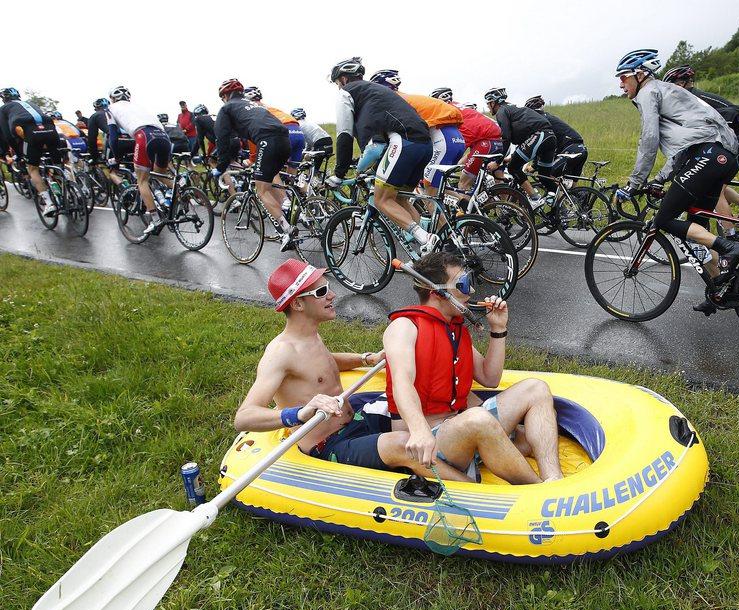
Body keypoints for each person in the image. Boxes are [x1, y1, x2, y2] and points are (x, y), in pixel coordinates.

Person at [382, 252, 563, 483]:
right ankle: (537, 491)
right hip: (426, 442)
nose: (472, 291)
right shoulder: (404, 327)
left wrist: (498, 329)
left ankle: (553, 479)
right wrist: (419, 430)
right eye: (464, 284)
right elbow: (402, 382)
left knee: (536, 388)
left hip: (462, 429)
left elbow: (490, 378)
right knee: (477, 418)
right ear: (436, 291)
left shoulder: (454, 329)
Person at [234, 259, 419, 475]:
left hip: (352, 420)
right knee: (404, 444)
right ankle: (464, 490)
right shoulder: (281, 352)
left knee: (411, 401)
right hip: (329, 443)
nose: (332, 295)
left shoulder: (309, 336)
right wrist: (300, 414)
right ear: (297, 304)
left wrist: (366, 358)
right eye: (321, 291)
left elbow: (323, 362)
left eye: (328, 287)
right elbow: (244, 417)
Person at [614, 48, 739, 314]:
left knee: (663, 220)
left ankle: (730, 246)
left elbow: (648, 140)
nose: (620, 84)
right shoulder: (664, 94)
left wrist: (634, 183)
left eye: (624, 77)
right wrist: (660, 179)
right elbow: (681, 150)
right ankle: (721, 291)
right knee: (699, 234)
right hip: (719, 156)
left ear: (640, 75)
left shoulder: (650, 92)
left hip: (709, 154)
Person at [327, 57, 436, 254]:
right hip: (425, 144)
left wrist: (340, 174)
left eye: (336, 83)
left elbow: (345, 135)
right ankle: (432, 250)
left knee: (381, 200)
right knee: (400, 199)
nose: (337, 87)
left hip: (404, 142)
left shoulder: (347, 93)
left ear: (343, 79)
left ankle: (426, 239)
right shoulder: (377, 92)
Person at [214, 78, 297, 250]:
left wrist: (220, 167)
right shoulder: (254, 104)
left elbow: (221, 140)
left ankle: (287, 230)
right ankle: (294, 208)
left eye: (223, 97)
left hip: (267, 141)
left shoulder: (227, 108)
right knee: (269, 178)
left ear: (226, 95)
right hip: (284, 139)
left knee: (261, 190)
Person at [664, 64, 739, 221]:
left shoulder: (694, 99)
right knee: (710, 180)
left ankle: (729, 239)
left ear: (680, 84)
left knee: (715, 189)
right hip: (734, 137)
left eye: (669, 87)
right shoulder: (691, 99)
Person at [370, 70, 465, 197]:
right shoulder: (405, 98)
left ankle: (462, 215)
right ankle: (466, 209)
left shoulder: (395, 102)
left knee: (429, 191)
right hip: (455, 138)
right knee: (434, 187)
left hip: (442, 138)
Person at [105, 85, 173, 233]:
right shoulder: (138, 107)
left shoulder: (110, 109)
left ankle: (155, 219)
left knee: (142, 180)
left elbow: (113, 137)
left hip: (144, 136)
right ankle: (181, 196)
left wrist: (116, 157)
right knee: (160, 174)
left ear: (112, 99)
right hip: (163, 137)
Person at [484, 87, 557, 207]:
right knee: (544, 176)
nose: (487, 106)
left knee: (513, 168)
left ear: (493, 102)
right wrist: (510, 157)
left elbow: (506, 137)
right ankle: (560, 210)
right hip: (550, 138)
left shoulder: (502, 111)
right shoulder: (513, 108)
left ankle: (535, 199)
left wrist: (498, 162)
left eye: (488, 103)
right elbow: (523, 143)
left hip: (539, 136)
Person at [0, 87, 63, 217]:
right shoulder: (30, 103)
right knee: (58, 164)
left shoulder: (4, 109)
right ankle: (74, 191)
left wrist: (18, 154)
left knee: (32, 168)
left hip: (31, 133)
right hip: (51, 128)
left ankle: (49, 203)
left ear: (3, 99)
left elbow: (7, 135)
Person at [524, 95, 588, 179]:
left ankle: (558, 192)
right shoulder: (548, 117)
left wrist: (534, 166)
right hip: (581, 149)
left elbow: (540, 144)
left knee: (546, 176)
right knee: (571, 187)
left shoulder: (540, 121)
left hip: (571, 149)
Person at [455, 100, 503, 191]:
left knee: (463, 184)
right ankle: (502, 203)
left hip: (485, 145)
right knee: (497, 178)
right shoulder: (479, 118)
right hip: (498, 143)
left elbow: (459, 149)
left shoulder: (465, 124)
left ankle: (468, 204)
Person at [291, 108, 333, 180]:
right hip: (328, 142)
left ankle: (315, 181)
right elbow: (308, 146)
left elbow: (300, 145)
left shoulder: (299, 125)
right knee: (310, 161)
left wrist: (297, 161)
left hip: (320, 143)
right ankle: (321, 178)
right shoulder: (308, 123)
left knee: (309, 167)